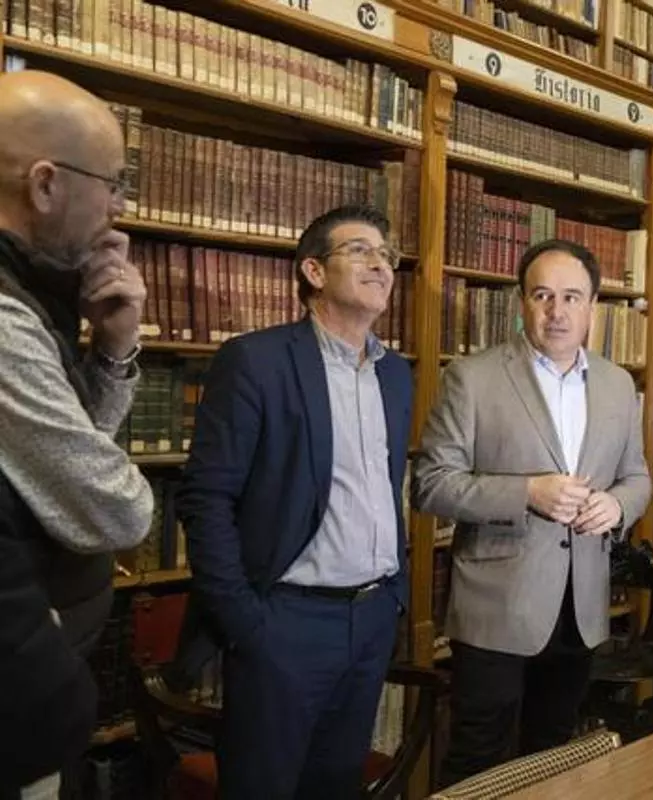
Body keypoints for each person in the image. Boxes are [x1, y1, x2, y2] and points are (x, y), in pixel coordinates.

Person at [176, 204, 413, 800]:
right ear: (313, 271)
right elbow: (206, 498)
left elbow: (386, 490)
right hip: (285, 622)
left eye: (387, 255)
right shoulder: (256, 361)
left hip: (371, 616)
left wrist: (394, 598)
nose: (380, 264)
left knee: (335, 786)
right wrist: (247, 623)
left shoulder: (395, 375)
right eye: (360, 251)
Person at [413, 238, 652, 786]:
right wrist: (526, 494)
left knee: (552, 757)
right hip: (496, 607)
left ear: (593, 306)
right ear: (522, 302)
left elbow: (637, 477)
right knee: (477, 761)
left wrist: (617, 505)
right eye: (542, 295)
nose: (556, 311)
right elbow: (430, 485)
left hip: (580, 609)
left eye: (571, 297)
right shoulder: (472, 378)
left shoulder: (618, 384)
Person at [0, 71, 154, 796]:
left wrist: (112, 351)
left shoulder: (37, 292)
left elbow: (64, 467)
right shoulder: (4, 323)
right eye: (113, 183)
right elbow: (112, 509)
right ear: (45, 184)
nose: (119, 208)